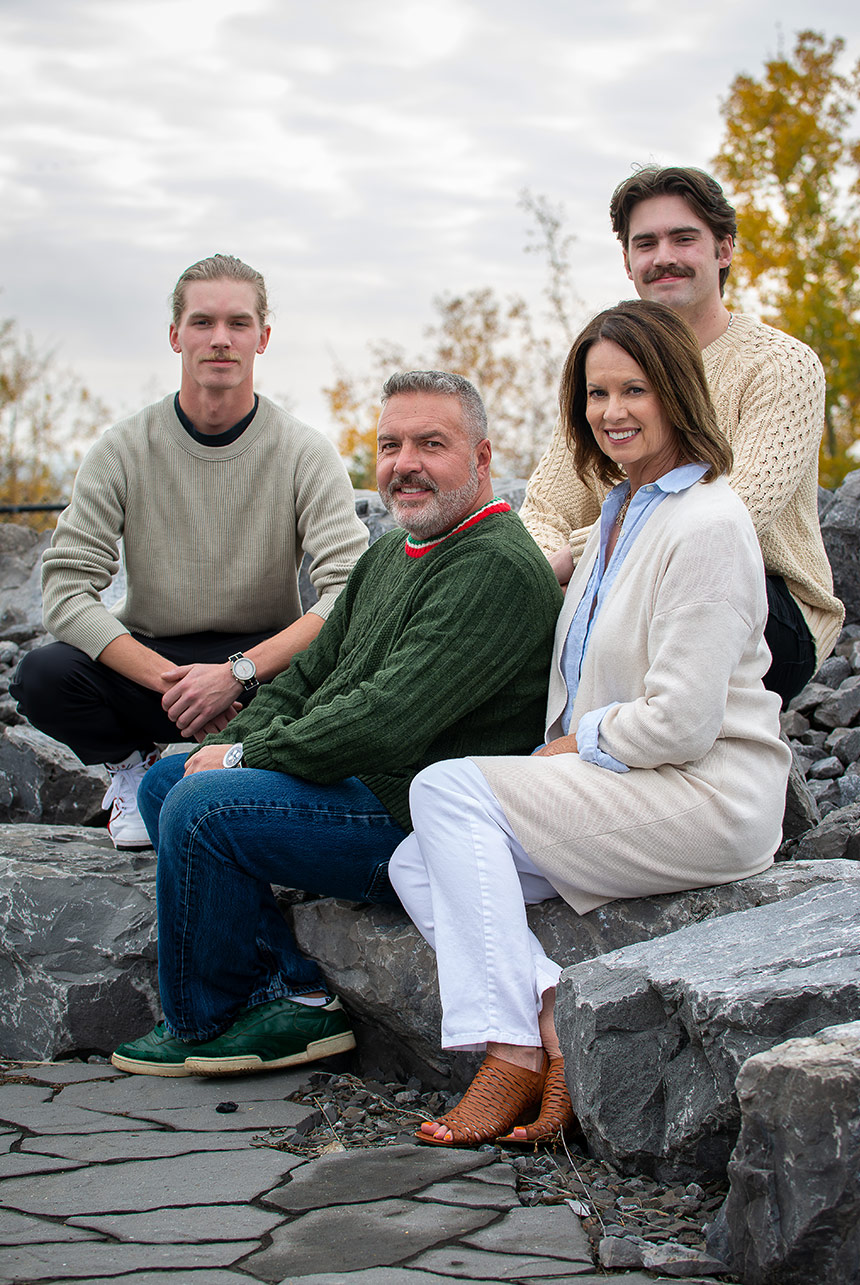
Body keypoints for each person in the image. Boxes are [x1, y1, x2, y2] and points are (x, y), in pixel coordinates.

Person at [388, 302, 792, 1147]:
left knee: (444, 788)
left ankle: (506, 1055)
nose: (612, 411)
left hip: (708, 791)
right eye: (596, 392)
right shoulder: (617, 512)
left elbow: (682, 722)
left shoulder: (709, 522)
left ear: (677, 390)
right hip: (635, 781)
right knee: (415, 855)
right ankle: (552, 1017)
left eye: (634, 389)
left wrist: (578, 744)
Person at [109, 370, 563, 1078]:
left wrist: (242, 757)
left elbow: (387, 719)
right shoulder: (390, 553)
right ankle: (291, 990)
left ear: (481, 460)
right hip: (360, 783)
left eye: (430, 444)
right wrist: (230, 742)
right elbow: (311, 675)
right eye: (390, 444)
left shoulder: (495, 565)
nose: (403, 463)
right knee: (167, 781)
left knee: (200, 806)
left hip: (412, 818)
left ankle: (209, 1019)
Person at [11, 254, 368, 848]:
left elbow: (351, 589)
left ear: (263, 337)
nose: (220, 339)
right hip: (155, 667)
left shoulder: (304, 452)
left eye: (238, 323)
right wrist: (176, 682)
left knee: (355, 668)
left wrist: (237, 674)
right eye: (202, 323)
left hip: (262, 667)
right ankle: (134, 768)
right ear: (176, 335)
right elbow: (67, 591)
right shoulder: (121, 449)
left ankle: (258, 767)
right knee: (43, 675)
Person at [520, 166, 843, 706]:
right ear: (628, 263)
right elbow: (546, 506)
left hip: (763, 605)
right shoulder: (607, 367)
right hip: (614, 592)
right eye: (645, 243)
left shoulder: (781, 366)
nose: (662, 255)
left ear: (724, 250)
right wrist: (543, 570)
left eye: (683, 238)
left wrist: (583, 559)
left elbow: (731, 518)